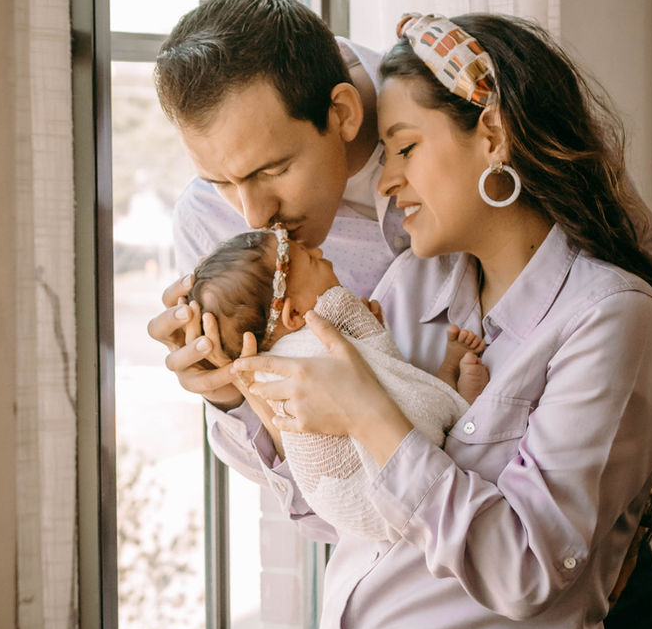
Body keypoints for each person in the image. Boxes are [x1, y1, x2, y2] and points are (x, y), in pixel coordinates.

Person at [147, 0, 652, 629]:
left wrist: (598, 503)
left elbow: (632, 281)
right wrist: (237, 397)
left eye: (271, 170)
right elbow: (327, 492)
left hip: (558, 628)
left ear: (343, 114)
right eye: (223, 183)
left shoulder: (451, 91)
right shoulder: (401, 276)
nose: (251, 214)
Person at [186, 224, 487, 539]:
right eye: (312, 261)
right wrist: (369, 327)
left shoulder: (263, 373)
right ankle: (456, 396)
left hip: (348, 510)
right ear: (295, 314)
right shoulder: (334, 307)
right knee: (411, 400)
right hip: (391, 482)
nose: (320, 252)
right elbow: (387, 358)